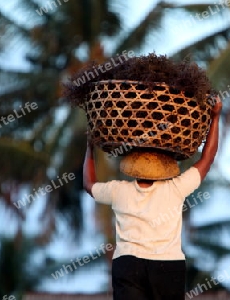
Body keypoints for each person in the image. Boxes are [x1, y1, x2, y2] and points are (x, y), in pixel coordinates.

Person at [83, 98, 222, 299]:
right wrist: (215, 117)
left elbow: (89, 185)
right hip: (168, 266)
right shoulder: (176, 188)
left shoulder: (118, 191)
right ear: (163, 167)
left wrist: (90, 147)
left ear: (133, 165)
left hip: (128, 264)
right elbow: (207, 158)